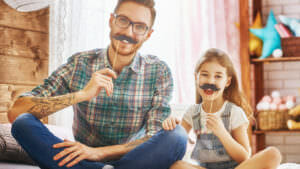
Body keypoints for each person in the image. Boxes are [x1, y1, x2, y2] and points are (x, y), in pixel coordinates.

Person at [7, 0, 187, 169]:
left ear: (148, 34)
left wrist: (98, 153)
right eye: (123, 20)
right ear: (111, 20)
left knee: (177, 136)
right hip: (81, 157)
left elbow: (153, 135)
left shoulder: (159, 71)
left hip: (134, 158)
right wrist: (81, 94)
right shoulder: (80, 63)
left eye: (139, 27)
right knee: (23, 123)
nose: (129, 33)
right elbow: (16, 112)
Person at [162, 48, 282, 169]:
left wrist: (222, 132)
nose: (210, 81)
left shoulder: (234, 112)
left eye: (218, 76)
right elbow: (175, 146)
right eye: (204, 75)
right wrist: (172, 127)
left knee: (273, 154)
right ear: (196, 77)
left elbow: (244, 157)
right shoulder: (192, 112)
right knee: (177, 166)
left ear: (227, 82)